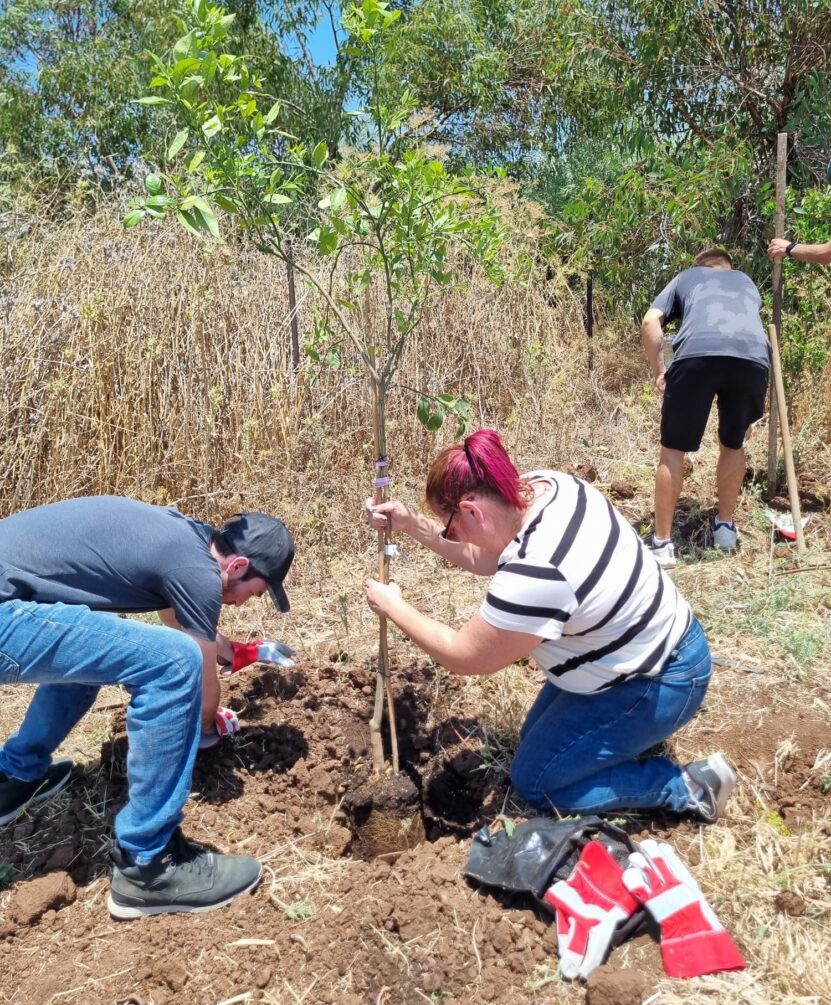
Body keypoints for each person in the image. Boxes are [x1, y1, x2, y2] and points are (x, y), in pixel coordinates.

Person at [363, 429, 735, 823]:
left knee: (537, 779)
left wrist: (394, 607)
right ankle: (628, 740)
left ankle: (687, 787)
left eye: (450, 527)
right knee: (535, 743)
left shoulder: (538, 571)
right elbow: (484, 556)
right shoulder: (547, 487)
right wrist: (413, 525)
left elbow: (464, 655)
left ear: (473, 510)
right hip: (652, 647)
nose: (449, 534)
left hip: (662, 678)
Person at [0, 497, 294, 918]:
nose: (246, 602)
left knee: (104, 649)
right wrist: (211, 728)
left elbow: (174, 618)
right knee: (173, 663)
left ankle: (15, 774)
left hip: (11, 596)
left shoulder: (184, 541)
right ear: (239, 566)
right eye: (257, 592)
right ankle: (149, 866)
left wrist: (229, 650)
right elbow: (194, 671)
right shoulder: (199, 573)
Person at [641, 247, 770, 566]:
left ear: (700, 266)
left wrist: (659, 371)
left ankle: (662, 544)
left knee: (673, 450)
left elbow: (650, 322)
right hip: (752, 360)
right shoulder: (747, 282)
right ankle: (724, 528)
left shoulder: (687, 277)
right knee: (734, 442)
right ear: (728, 268)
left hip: (695, 359)